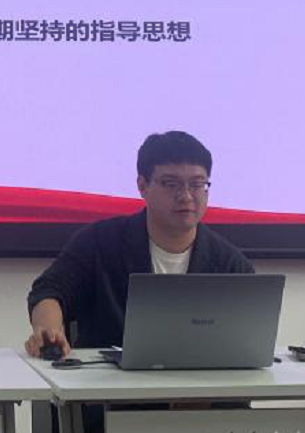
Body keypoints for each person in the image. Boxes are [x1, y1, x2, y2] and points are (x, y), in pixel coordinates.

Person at [25, 130, 254, 359]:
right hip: (106, 378)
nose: (186, 196)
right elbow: (50, 290)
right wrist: (49, 332)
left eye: (196, 184)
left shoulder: (230, 264)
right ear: (142, 186)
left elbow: (246, 339)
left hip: (202, 380)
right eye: (171, 184)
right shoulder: (99, 242)